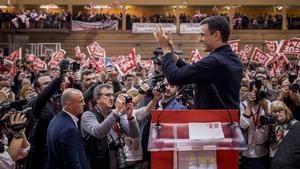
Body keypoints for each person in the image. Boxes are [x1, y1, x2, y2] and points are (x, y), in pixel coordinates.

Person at [153, 15, 243, 109]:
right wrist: (174, 57)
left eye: (203, 35)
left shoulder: (215, 61)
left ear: (216, 35)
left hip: (213, 121)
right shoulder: (230, 58)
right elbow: (194, 71)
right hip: (225, 120)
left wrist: (165, 49)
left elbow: (174, 77)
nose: (199, 39)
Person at [46, 88, 90, 169]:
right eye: (80, 101)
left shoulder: (55, 119)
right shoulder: (69, 130)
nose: (84, 103)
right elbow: (72, 165)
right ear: (69, 105)